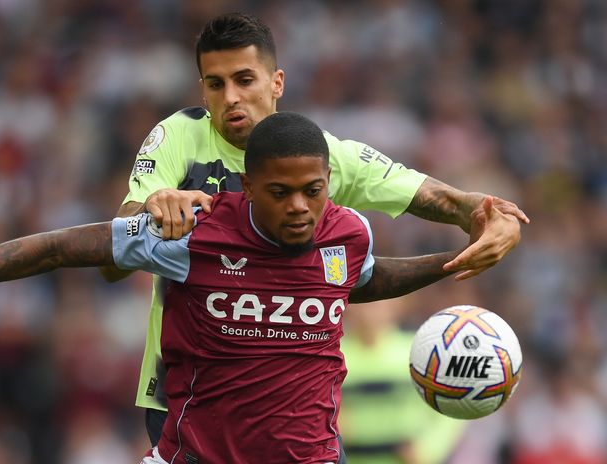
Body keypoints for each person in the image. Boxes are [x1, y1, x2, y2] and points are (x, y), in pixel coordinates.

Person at [0, 112, 474, 463]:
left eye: (313, 191)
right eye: (280, 193)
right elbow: (57, 247)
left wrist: (453, 262)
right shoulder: (192, 233)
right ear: (247, 187)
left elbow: (365, 279)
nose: (300, 208)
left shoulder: (347, 234)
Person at [100, 12, 529, 450]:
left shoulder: (317, 156)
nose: (230, 97)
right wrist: (151, 210)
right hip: (187, 398)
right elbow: (114, 255)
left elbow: (455, 203)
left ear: (277, 83)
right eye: (216, 84)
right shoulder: (181, 138)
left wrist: (499, 220)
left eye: (244, 80)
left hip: (295, 411)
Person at [339, 300, 466, 464]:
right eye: (363, 302)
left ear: (395, 305)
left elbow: (452, 404)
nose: (368, 310)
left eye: (376, 303)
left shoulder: (420, 351)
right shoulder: (334, 357)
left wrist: (427, 449)